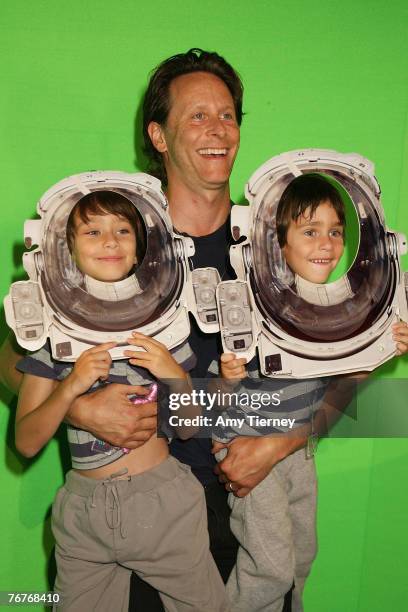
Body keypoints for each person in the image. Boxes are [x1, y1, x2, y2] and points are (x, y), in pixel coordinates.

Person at [1, 49, 408, 611]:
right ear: (159, 136)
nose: (218, 130)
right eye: (197, 116)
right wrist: (77, 406)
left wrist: (283, 441)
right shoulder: (114, 237)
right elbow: (14, 355)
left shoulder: (282, 242)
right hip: (140, 509)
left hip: (255, 493)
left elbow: (339, 369)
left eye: (228, 115)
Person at [14, 190, 227, 612]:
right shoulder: (50, 339)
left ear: (138, 252)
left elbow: (188, 427)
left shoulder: (166, 330)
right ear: (67, 249)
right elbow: (25, 441)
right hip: (84, 511)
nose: (110, 241)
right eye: (93, 231)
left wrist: (174, 373)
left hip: (164, 501)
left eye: (123, 230)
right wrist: (71, 386)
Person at [211, 173, 348, 611]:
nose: (325, 243)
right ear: (279, 244)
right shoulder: (254, 298)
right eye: (310, 232)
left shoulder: (338, 306)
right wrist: (228, 375)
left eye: (335, 232)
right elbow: (215, 384)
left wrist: (386, 340)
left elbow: (349, 373)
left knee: (301, 557)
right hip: (249, 445)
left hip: (296, 449)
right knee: (269, 565)